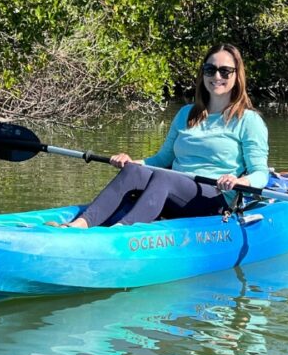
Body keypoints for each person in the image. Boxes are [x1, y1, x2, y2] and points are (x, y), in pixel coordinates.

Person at [63, 43, 269, 228]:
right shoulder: (186, 114)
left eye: (225, 71)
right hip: (172, 189)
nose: (217, 77)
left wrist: (240, 182)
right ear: (203, 73)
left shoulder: (248, 120)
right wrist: (130, 162)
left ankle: (122, 231)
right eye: (210, 69)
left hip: (214, 198)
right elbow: (162, 159)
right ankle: (80, 224)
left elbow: (260, 173)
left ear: (236, 76)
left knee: (165, 177)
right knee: (134, 171)